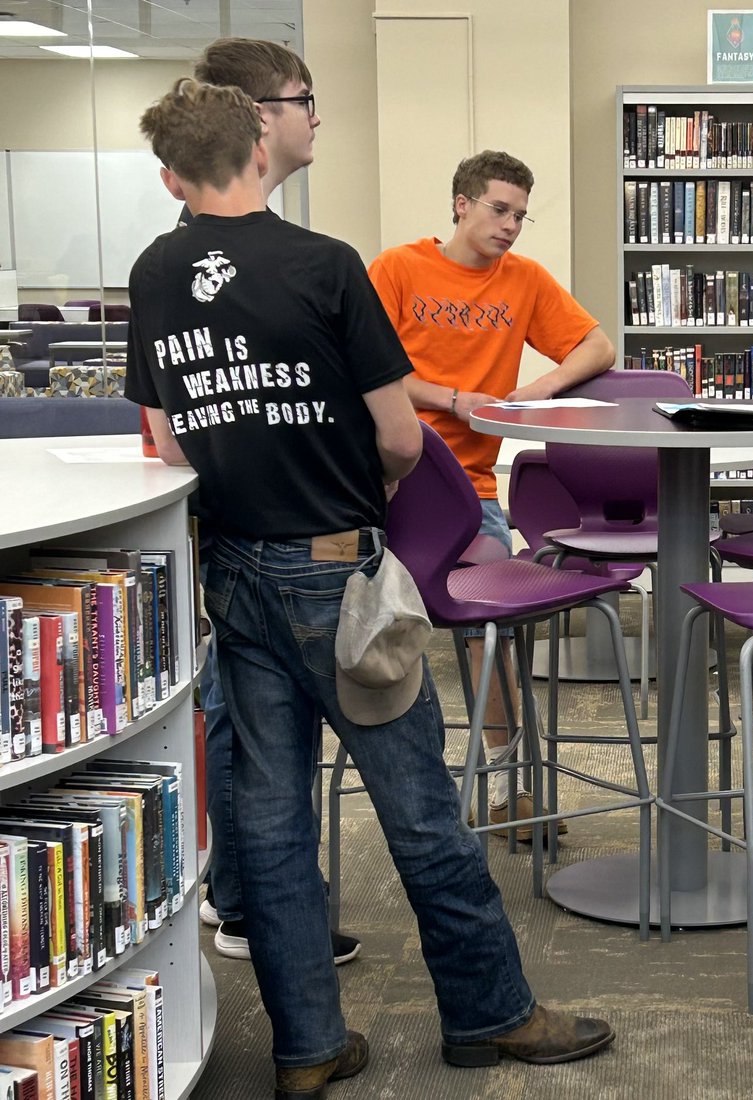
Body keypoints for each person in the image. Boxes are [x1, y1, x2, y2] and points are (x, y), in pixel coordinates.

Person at [127, 78, 615, 1099]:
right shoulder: (325, 264)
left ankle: (308, 1044)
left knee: (268, 820)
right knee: (420, 801)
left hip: (233, 572)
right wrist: (370, 487)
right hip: (335, 572)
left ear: (171, 172)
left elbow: (165, 437)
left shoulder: (155, 272)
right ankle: (491, 1010)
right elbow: (402, 435)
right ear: (257, 149)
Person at [368, 151, 614, 838]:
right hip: (386, 487)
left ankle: (502, 792)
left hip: (471, 494)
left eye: (520, 215)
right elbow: (362, 365)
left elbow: (598, 347)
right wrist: (452, 396)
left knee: (490, 630)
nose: (510, 226)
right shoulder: (398, 269)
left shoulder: (525, 281)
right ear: (461, 204)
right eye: (499, 210)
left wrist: (531, 392)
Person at [186, 36, 361, 965]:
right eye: (305, 98)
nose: (317, 115)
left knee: (252, 742)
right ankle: (247, 900)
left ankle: (244, 897)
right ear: (260, 119)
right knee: (392, 780)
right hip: (300, 546)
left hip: (241, 544)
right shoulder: (306, 261)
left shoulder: (177, 257)